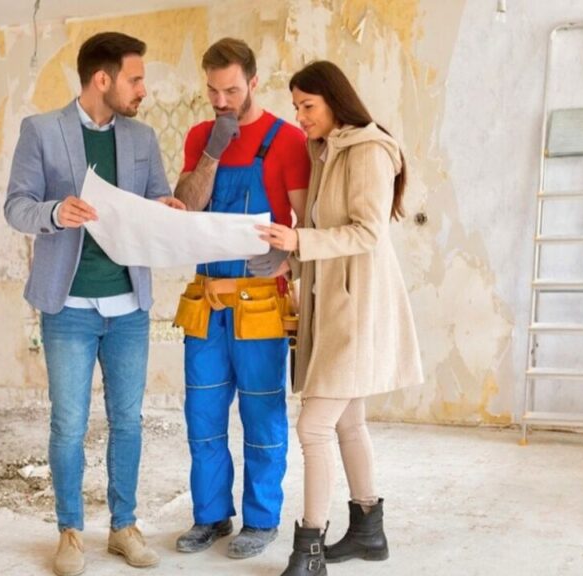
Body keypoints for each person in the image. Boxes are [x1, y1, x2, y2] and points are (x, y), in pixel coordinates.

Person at [4, 31, 184, 576]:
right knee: (68, 424)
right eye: (135, 79)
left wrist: (165, 207)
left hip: (129, 306)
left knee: (128, 420)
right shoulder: (41, 130)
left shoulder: (142, 136)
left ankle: (124, 526)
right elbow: (16, 206)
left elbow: (154, 198)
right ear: (102, 79)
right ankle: (70, 532)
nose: (143, 89)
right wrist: (55, 212)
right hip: (68, 308)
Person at [257, 60, 423, 576]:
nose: (300, 117)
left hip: (356, 307)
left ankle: (309, 548)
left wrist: (300, 240)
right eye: (296, 107)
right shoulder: (327, 150)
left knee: (313, 426)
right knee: (349, 421)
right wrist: (290, 259)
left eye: (308, 106)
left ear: (334, 100)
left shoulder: (369, 149)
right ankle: (369, 532)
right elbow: (326, 230)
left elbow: (368, 232)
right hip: (334, 303)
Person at [171, 37, 310, 559]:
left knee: (262, 416)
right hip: (207, 303)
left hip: (261, 305)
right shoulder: (200, 136)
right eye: (213, 90)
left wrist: (287, 260)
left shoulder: (288, 140)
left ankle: (261, 519)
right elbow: (185, 208)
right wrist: (213, 150)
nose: (221, 100)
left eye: (231, 90)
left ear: (253, 81)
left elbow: (306, 223)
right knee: (202, 416)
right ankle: (210, 516)